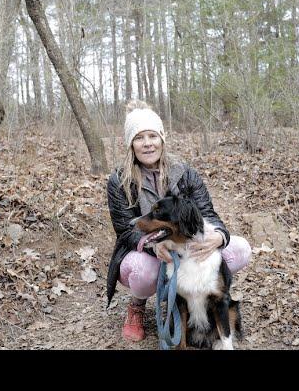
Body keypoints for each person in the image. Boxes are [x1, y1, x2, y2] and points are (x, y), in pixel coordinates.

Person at [106, 100, 252, 342]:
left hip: (183, 244)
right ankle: (138, 305)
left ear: (162, 139)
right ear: (131, 144)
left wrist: (219, 235)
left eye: (153, 135)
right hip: (145, 249)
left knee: (239, 249)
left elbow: (207, 211)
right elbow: (125, 230)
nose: (148, 143)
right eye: (139, 138)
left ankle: (207, 297)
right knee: (143, 273)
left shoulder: (183, 171)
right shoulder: (119, 180)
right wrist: (153, 245)